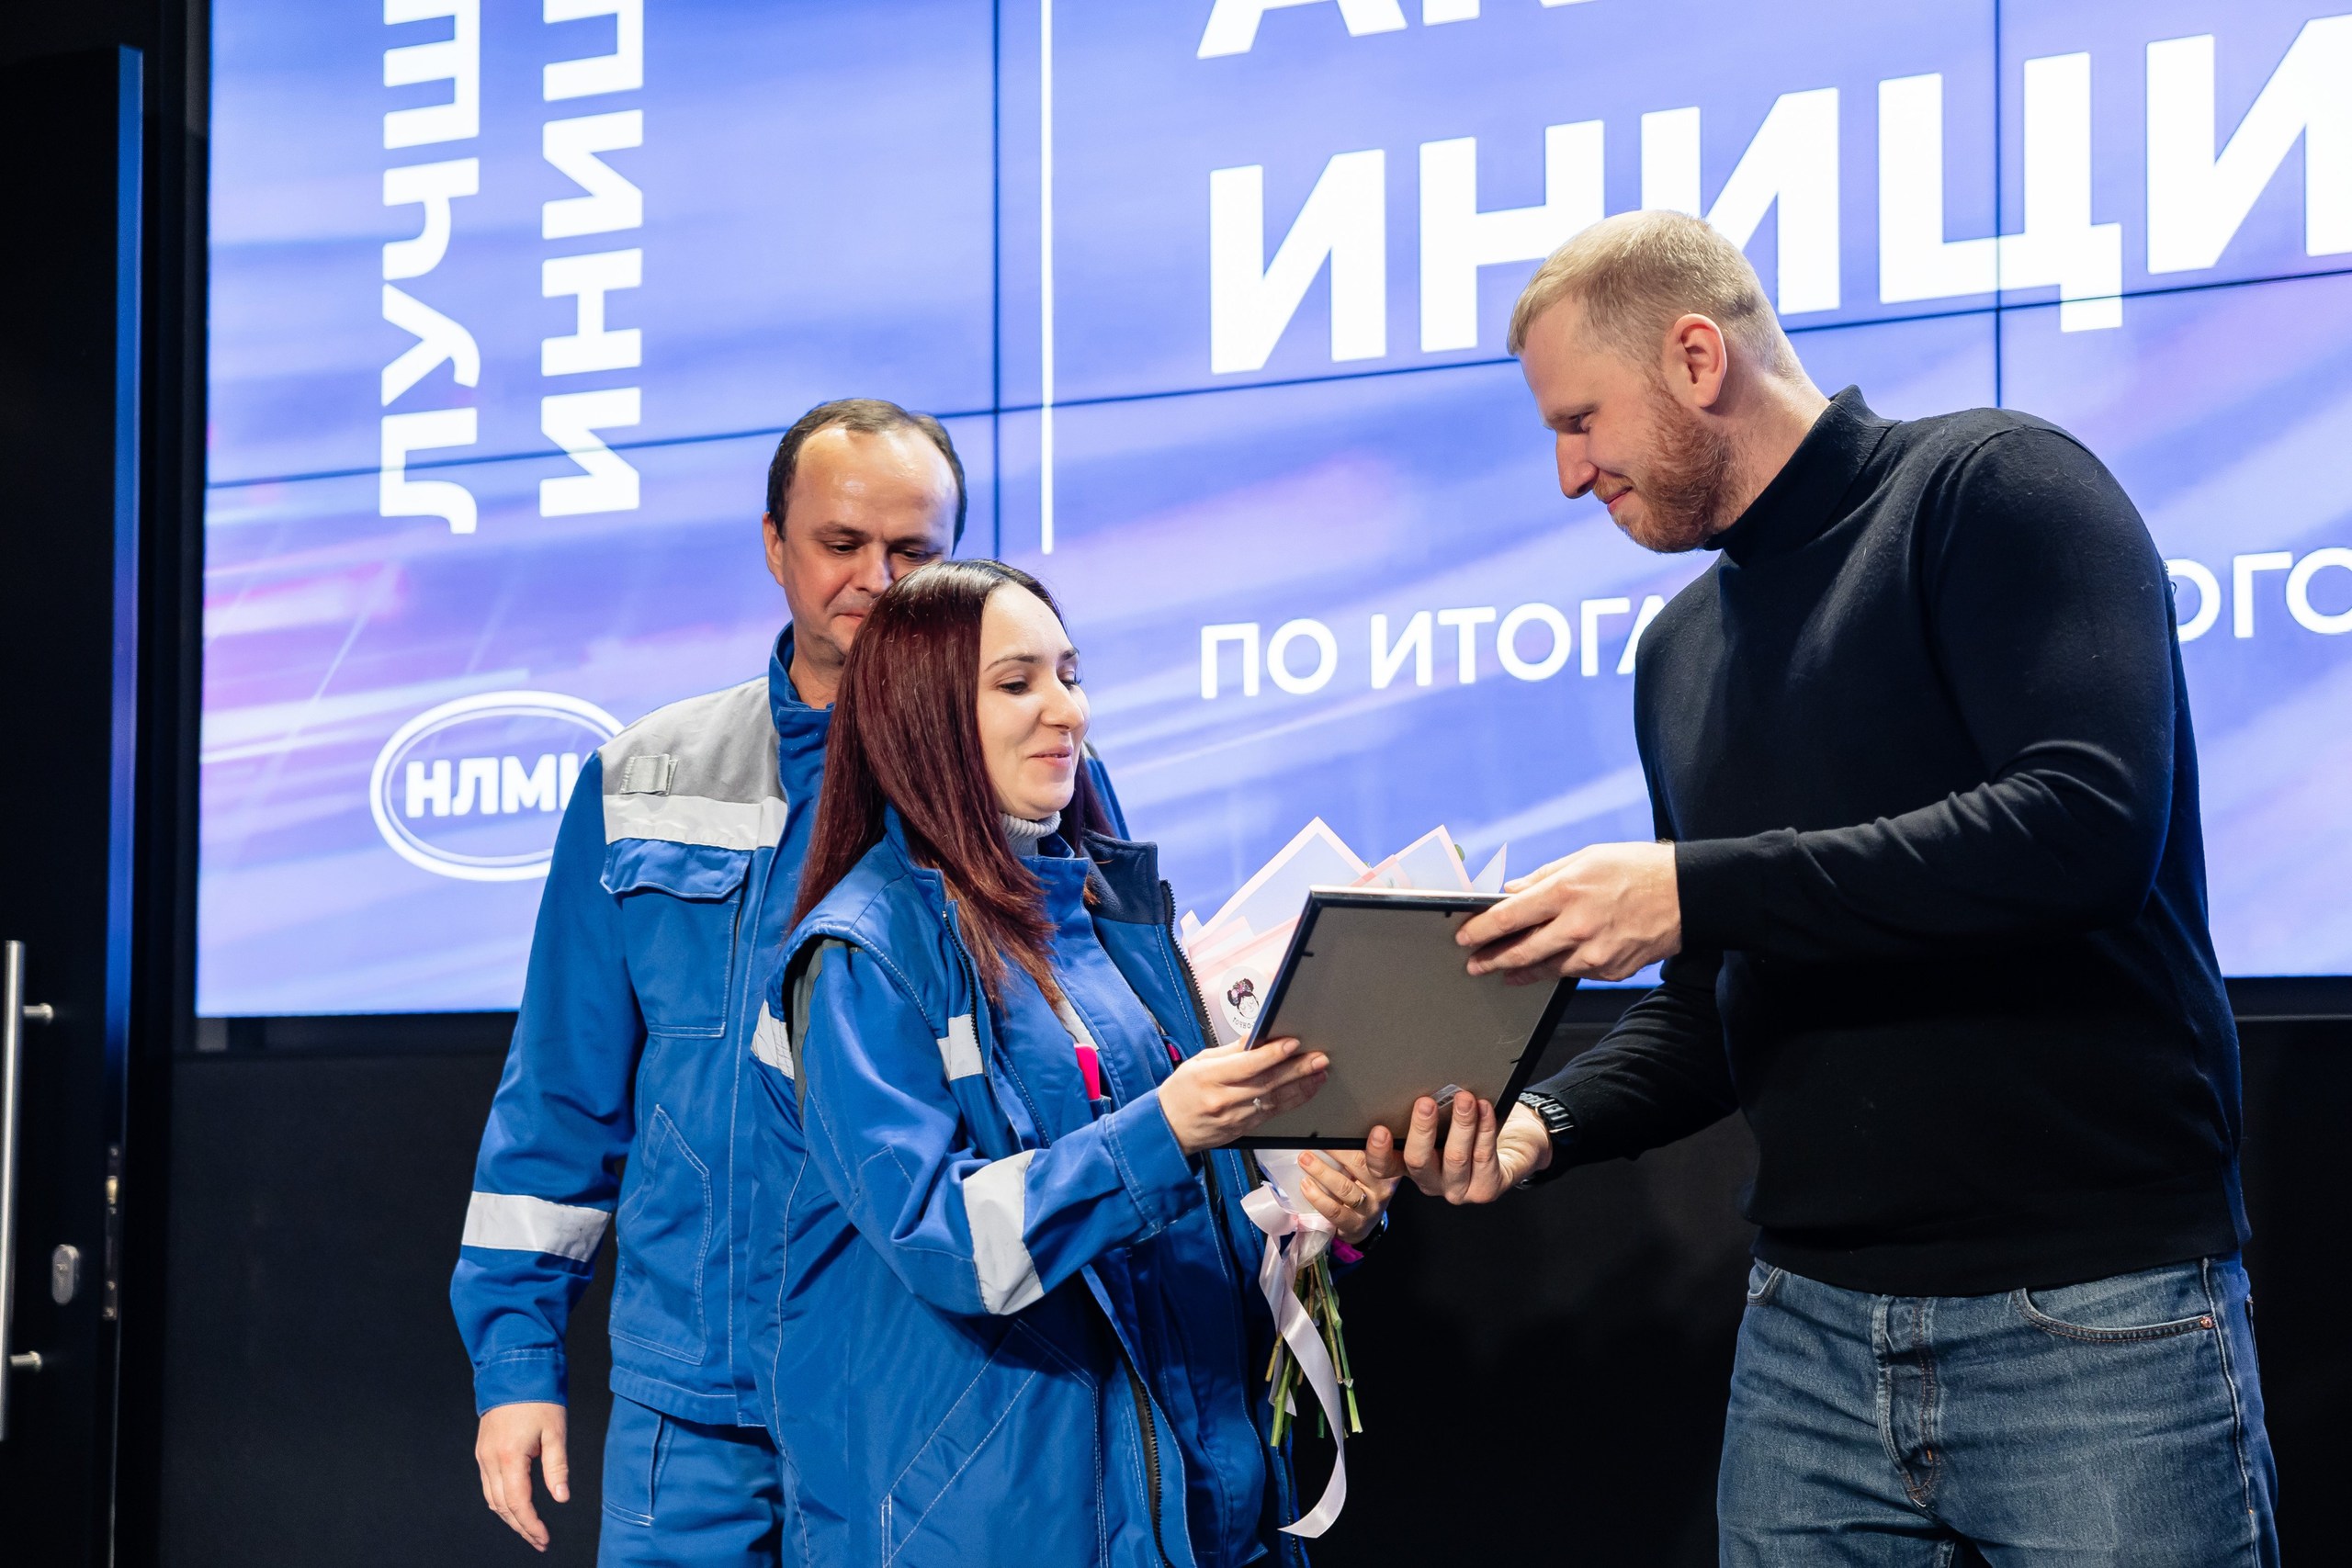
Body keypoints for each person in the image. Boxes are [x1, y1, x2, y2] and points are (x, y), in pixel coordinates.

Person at [1402, 211, 2278, 1564]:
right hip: (1807, 1337)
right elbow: (1715, 1007)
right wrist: (1542, 1126)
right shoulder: (1679, 653)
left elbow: (2084, 826)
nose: (1570, 475)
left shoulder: (1994, 489)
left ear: (1697, 357)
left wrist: (1696, 887)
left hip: (2093, 1313)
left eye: (1581, 421)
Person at [451, 399, 1128, 1563]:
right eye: (840, 543)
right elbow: (561, 1093)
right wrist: (516, 1357)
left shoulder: (1031, 760)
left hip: (925, 1398)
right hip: (696, 1399)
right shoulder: (646, 780)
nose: (876, 580)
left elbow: (1108, 1042)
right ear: (774, 544)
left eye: (912, 550)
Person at [744, 559, 1401, 1566]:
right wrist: (1167, 1129)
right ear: (922, 715)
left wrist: (1317, 1211)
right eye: (1017, 683)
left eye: (1070, 673)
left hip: (1206, 1509)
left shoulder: (1110, 922)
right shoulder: (861, 954)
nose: (1067, 710)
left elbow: (1197, 1207)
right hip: (996, 1530)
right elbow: (944, 1237)